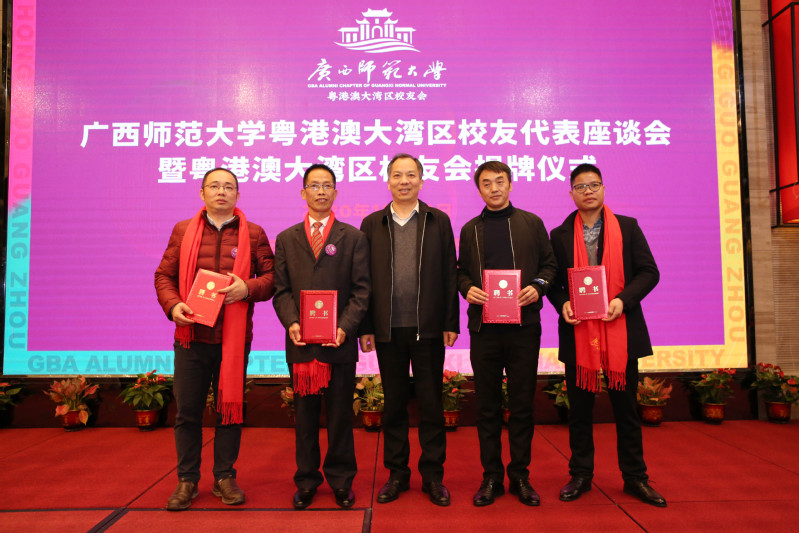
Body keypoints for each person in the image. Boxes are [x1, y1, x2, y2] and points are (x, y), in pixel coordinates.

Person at [155, 167, 275, 511]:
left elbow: (272, 278)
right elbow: (164, 275)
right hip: (191, 337)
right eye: (214, 186)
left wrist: (246, 288)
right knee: (188, 412)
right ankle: (187, 480)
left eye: (228, 187)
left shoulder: (254, 233)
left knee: (230, 410)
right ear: (202, 192)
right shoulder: (183, 230)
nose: (221, 192)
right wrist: (173, 305)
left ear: (237, 194)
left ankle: (225, 476)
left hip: (233, 341)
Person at [547, 163, 666, 507]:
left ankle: (635, 477)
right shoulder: (559, 234)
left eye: (593, 185)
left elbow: (649, 272)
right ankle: (581, 475)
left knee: (626, 410)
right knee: (579, 412)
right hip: (579, 333)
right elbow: (553, 281)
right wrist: (563, 303)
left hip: (620, 330)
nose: (588, 191)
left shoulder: (627, 227)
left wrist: (622, 300)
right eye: (580, 187)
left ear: (603, 188)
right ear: (571, 194)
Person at [359, 153, 459, 506]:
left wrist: (450, 322)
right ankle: (397, 474)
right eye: (398, 175)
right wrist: (366, 326)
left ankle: (433, 476)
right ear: (388, 181)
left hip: (428, 328)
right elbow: (363, 280)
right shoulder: (372, 223)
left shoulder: (438, 220)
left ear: (421, 181)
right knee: (394, 406)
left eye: (411, 175)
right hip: (387, 330)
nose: (404, 181)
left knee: (431, 405)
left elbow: (449, 274)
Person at [456, 161, 557, 507]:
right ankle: (491, 477)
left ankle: (520, 476)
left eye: (500, 181)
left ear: (510, 184)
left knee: (521, 404)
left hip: (523, 329)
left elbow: (550, 265)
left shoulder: (531, 223)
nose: (494, 188)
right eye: (486, 183)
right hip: (484, 330)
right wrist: (467, 288)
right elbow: (460, 272)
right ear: (479, 190)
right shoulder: (470, 229)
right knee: (486, 406)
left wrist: (538, 286)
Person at [272, 164, 370, 510]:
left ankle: (342, 481)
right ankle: (306, 481)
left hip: (338, 343)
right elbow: (281, 291)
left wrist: (345, 327)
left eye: (327, 186)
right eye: (314, 186)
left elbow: (362, 290)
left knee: (341, 416)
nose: (321, 191)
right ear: (303, 193)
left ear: (336, 193)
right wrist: (291, 322)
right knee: (305, 418)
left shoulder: (353, 237)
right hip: (301, 345)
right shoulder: (286, 238)